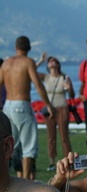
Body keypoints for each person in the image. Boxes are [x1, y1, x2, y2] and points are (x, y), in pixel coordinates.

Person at [0, 36, 55, 180]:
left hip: (7, 106)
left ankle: (6, 180)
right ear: (29, 48)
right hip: (22, 105)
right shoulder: (28, 62)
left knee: (9, 145)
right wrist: (48, 105)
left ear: (15, 47)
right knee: (28, 148)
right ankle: (25, 183)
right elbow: (38, 85)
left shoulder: (6, 63)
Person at [39, 56, 74, 171]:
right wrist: (41, 60)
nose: (51, 62)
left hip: (62, 108)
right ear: (48, 65)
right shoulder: (46, 77)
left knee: (64, 136)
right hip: (50, 109)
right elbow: (31, 71)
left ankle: (69, 161)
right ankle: (52, 163)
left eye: (54, 61)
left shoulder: (64, 77)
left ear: (58, 65)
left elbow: (72, 95)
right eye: (49, 61)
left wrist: (69, 88)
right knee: (51, 137)